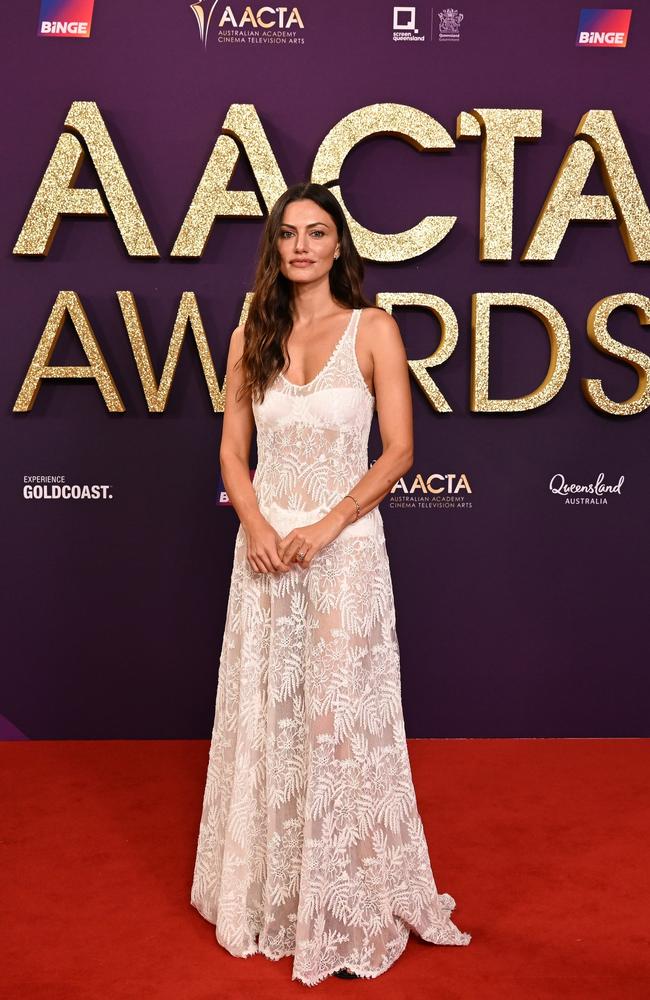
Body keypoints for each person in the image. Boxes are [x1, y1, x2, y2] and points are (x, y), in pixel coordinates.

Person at [190, 181, 471, 985]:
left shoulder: (375, 329)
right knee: (270, 710)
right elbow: (230, 453)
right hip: (267, 552)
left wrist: (327, 523)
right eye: (288, 234)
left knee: (336, 715)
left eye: (318, 233)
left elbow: (399, 453)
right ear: (275, 248)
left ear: (340, 245)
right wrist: (255, 525)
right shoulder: (252, 332)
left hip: (342, 549)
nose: (302, 246)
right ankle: (272, 892)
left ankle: (345, 898)